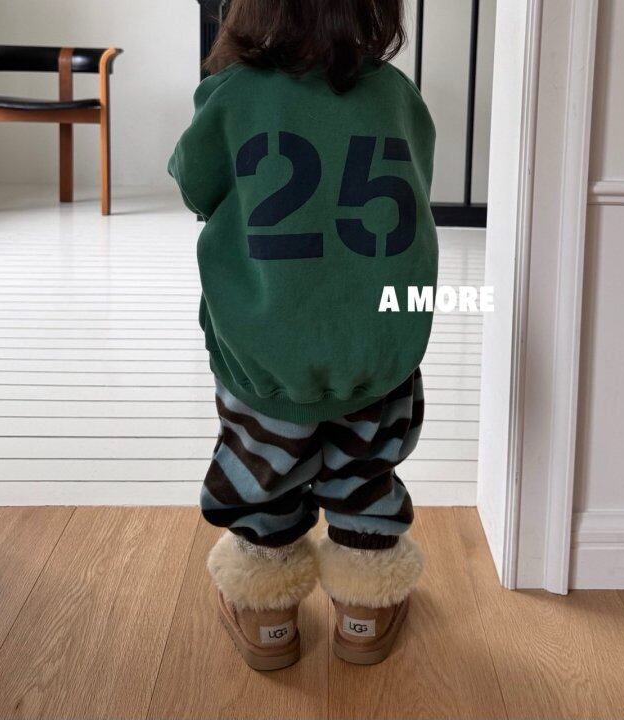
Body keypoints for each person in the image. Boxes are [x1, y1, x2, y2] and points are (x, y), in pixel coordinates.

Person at [169, 0, 438, 671]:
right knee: (366, 473)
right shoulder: (395, 95)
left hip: (265, 352)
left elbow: (196, 188)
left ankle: (268, 618)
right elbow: (418, 185)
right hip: (378, 347)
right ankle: (365, 611)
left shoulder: (233, 94)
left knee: (262, 475)